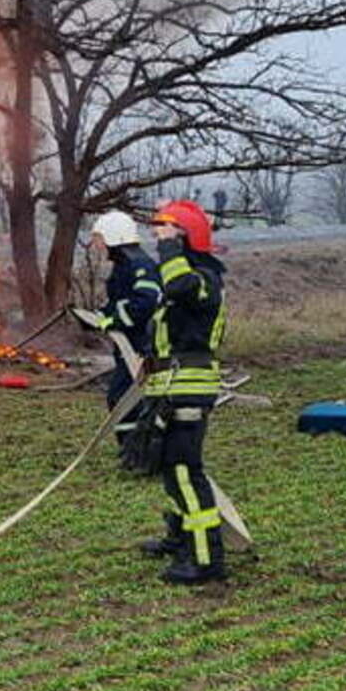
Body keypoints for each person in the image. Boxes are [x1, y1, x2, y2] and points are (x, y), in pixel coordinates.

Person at [136, 199, 229, 585]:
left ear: (185, 240)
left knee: (185, 472)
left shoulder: (202, 278)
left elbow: (177, 283)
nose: (159, 240)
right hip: (170, 389)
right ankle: (180, 536)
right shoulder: (188, 280)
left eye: (167, 233)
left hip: (188, 392)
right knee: (171, 470)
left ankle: (205, 559)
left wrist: (170, 246)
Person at [81, 211, 161, 447]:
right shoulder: (124, 264)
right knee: (123, 397)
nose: (98, 246)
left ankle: (135, 450)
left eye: (100, 240)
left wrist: (113, 320)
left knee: (123, 398)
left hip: (140, 347)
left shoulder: (140, 265)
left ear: (114, 238)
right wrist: (97, 316)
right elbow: (119, 303)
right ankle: (134, 448)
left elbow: (146, 303)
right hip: (129, 347)